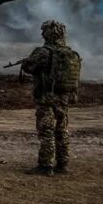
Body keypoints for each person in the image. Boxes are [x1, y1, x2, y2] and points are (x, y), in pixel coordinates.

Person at [21, 20, 82, 176]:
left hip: (46, 98)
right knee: (62, 130)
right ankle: (63, 164)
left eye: (44, 31)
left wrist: (26, 63)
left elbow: (30, 68)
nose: (42, 34)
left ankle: (45, 166)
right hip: (64, 98)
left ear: (49, 33)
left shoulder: (43, 52)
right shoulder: (70, 53)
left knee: (46, 131)